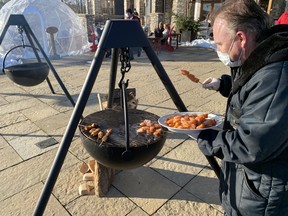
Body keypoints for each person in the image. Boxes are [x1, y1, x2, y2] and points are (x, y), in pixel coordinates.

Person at [197, 0, 288, 215]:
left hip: (263, 193)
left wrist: (206, 137)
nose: (218, 50)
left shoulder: (277, 75)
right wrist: (224, 84)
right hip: (250, 182)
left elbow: (252, 143)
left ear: (241, 38)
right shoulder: (261, 53)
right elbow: (251, 89)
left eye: (219, 44)